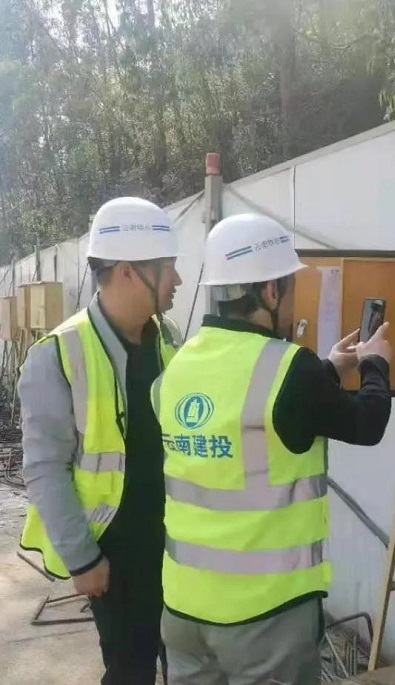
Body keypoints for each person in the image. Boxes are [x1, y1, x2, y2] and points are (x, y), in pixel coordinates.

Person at [151, 213, 393, 685]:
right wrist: (375, 365)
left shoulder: (178, 367)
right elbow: (368, 423)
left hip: (183, 610)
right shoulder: (290, 369)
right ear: (269, 292)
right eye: (290, 285)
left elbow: (250, 414)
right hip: (264, 616)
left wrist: (328, 368)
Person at [19, 196, 184, 684]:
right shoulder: (58, 354)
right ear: (129, 271)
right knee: (131, 670)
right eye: (168, 267)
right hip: (114, 555)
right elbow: (44, 468)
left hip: (178, 544)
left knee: (187, 666)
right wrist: (83, 559)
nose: (178, 279)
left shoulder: (169, 337)